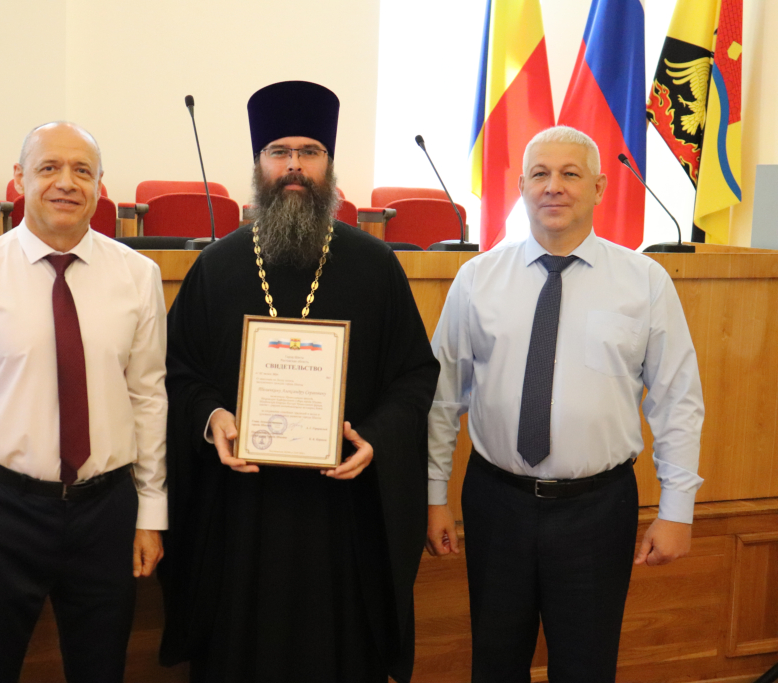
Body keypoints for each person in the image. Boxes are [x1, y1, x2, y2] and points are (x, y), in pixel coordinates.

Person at [158, 80, 439, 683]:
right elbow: (178, 372)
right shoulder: (216, 268)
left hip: (342, 515)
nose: (293, 166)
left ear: (328, 166)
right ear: (259, 164)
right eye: (279, 152)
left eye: (309, 152)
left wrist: (375, 438)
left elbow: (415, 375)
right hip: (241, 516)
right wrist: (213, 417)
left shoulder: (376, 266)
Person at [426, 125, 704, 682]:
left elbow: (677, 401)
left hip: (597, 511)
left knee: (586, 666)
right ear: (521, 188)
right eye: (540, 173)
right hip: (496, 504)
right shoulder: (477, 279)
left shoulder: (644, 282)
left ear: (599, 188)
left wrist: (678, 510)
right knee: (495, 663)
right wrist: (434, 496)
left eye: (570, 174)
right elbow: (441, 398)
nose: (553, 186)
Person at [0, 121, 168, 683]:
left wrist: (151, 512)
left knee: (101, 671)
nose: (66, 183)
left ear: (101, 184)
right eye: (49, 167)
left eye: (83, 170)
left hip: (106, 513)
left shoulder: (138, 276)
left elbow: (148, 399)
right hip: (1, 512)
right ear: (19, 179)